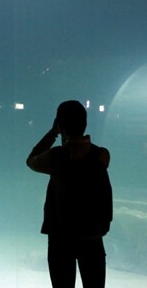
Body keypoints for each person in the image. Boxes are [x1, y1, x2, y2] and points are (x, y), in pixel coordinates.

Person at [26, 100, 112, 288]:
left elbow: (31, 160)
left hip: (60, 239)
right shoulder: (102, 156)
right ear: (85, 124)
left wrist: (52, 133)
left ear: (60, 125)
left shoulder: (55, 157)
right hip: (93, 236)